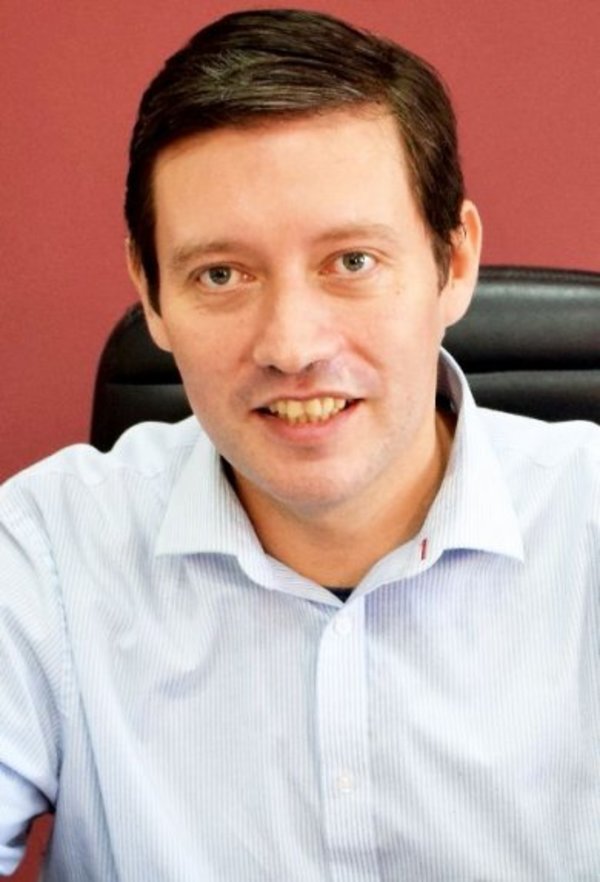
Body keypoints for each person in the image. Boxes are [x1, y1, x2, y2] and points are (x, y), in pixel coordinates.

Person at [1, 8, 598, 881]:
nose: (291, 345)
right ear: (151, 294)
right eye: (221, 274)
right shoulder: (44, 552)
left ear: (454, 262)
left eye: (351, 261)